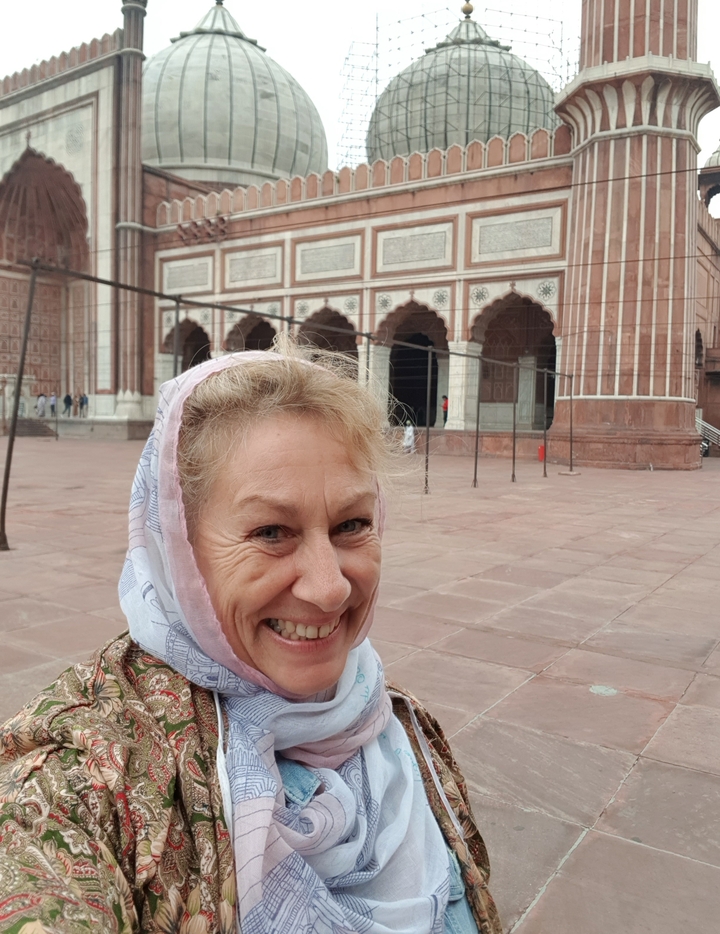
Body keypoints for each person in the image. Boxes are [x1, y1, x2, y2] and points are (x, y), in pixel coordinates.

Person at [0, 345, 502, 934]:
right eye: (271, 532)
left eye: (352, 525)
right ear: (179, 546)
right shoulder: (84, 778)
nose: (330, 588)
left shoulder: (392, 723)